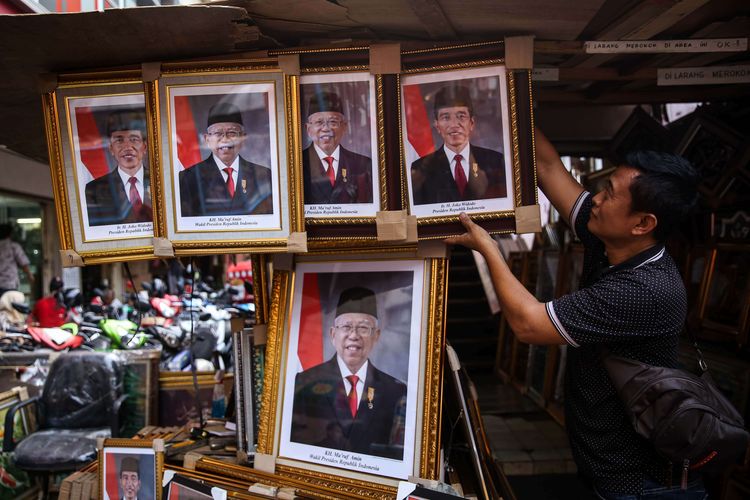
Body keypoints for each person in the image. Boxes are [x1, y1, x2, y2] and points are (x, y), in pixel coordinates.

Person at [445, 128, 703, 499]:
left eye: (610, 194)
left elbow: (528, 324)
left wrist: (487, 247)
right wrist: (504, 89)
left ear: (643, 223)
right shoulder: (612, 239)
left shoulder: (646, 290)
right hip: (608, 473)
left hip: (639, 487)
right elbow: (548, 166)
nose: (595, 199)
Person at [291, 286, 406, 460]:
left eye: (363, 328)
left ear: (376, 336)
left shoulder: (395, 391)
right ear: (333, 334)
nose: (354, 335)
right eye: (346, 327)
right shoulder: (303, 383)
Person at [411, 85, 507, 205]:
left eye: (461, 116)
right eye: (446, 117)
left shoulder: (495, 161)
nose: (454, 124)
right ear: (437, 126)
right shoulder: (421, 168)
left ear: (471, 123)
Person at [179, 102, 273, 217]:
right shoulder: (188, 178)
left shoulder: (264, 175)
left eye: (232, 133)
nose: (225, 139)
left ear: (243, 138)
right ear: (207, 139)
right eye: (217, 133)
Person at [302, 91, 372, 205]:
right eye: (319, 122)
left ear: (344, 127)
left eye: (333, 122)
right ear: (308, 129)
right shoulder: (296, 165)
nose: (326, 129)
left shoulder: (363, 164)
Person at [85, 109, 153, 226]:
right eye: (119, 140)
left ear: (145, 147)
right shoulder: (94, 188)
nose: (127, 146)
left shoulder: (161, 182)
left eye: (134, 139)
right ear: (111, 149)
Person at [0, 223, 32, 297]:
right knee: (10, 306)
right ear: (10, 234)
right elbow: (23, 263)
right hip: (10, 284)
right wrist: (30, 276)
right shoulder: (13, 246)